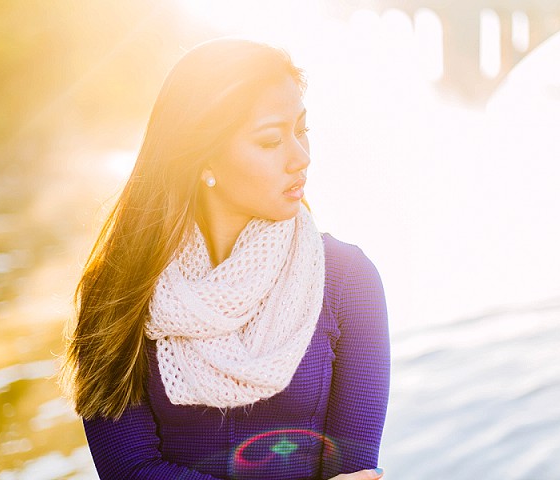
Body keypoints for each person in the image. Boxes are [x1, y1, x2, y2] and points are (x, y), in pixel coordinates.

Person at [61, 38, 390, 480]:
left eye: (302, 130)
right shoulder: (118, 293)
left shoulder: (349, 281)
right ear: (202, 157)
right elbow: (132, 471)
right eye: (272, 140)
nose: (301, 157)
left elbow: (354, 471)